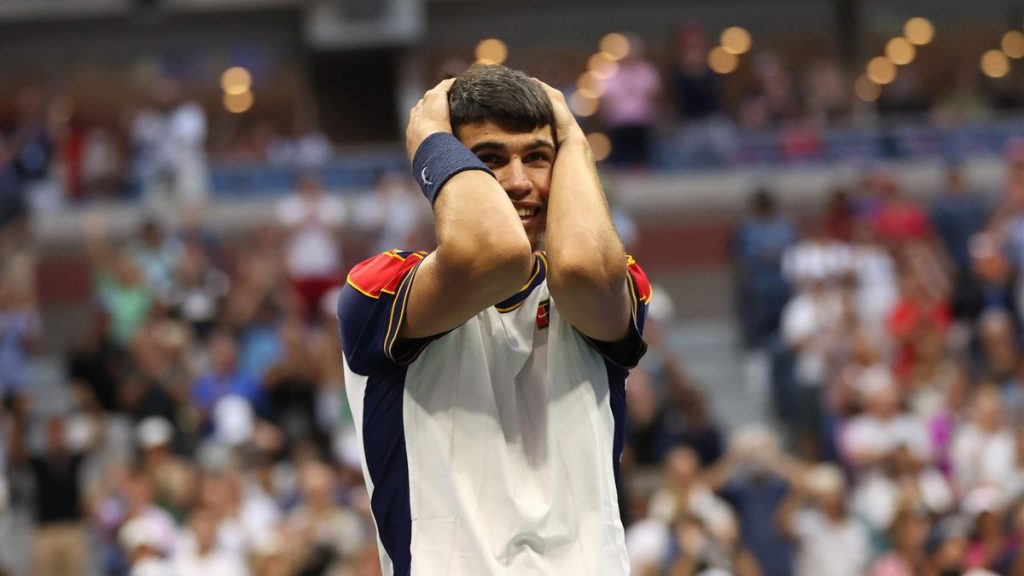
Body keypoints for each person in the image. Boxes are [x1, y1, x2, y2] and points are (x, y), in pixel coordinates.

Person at [337, 64, 651, 575]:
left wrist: (574, 138)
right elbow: (494, 252)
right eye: (489, 159)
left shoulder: (616, 279)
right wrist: (430, 135)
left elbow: (583, 269)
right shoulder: (379, 289)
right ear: (448, 172)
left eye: (538, 157)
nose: (519, 181)